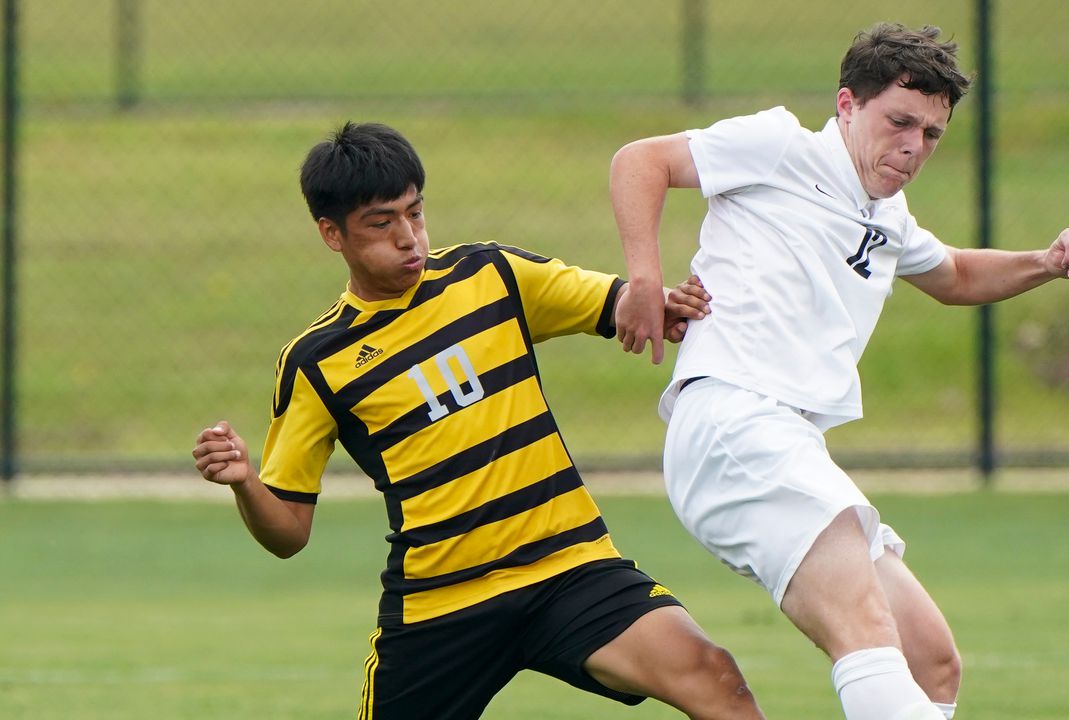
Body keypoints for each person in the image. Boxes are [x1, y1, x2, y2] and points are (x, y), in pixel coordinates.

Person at [610, 22, 1069, 720]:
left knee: (931, 661)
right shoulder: (782, 145)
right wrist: (643, 277)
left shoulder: (888, 214)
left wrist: (1047, 261)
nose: (913, 147)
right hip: (734, 420)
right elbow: (640, 160)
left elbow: (956, 274)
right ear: (847, 106)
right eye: (899, 121)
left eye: (931, 134)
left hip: (786, 442)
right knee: (867, 632)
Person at [191, 121, 765, 720]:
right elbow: (287, 532)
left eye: (416, 212)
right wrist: (245, 483)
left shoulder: (489, 275)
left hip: (568, 568)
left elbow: (621, 304)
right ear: (331, 234)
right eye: (382, 224)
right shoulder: (317, 363)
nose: (409, 237)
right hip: (441, 605)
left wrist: (661, 304)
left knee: (715, 676)